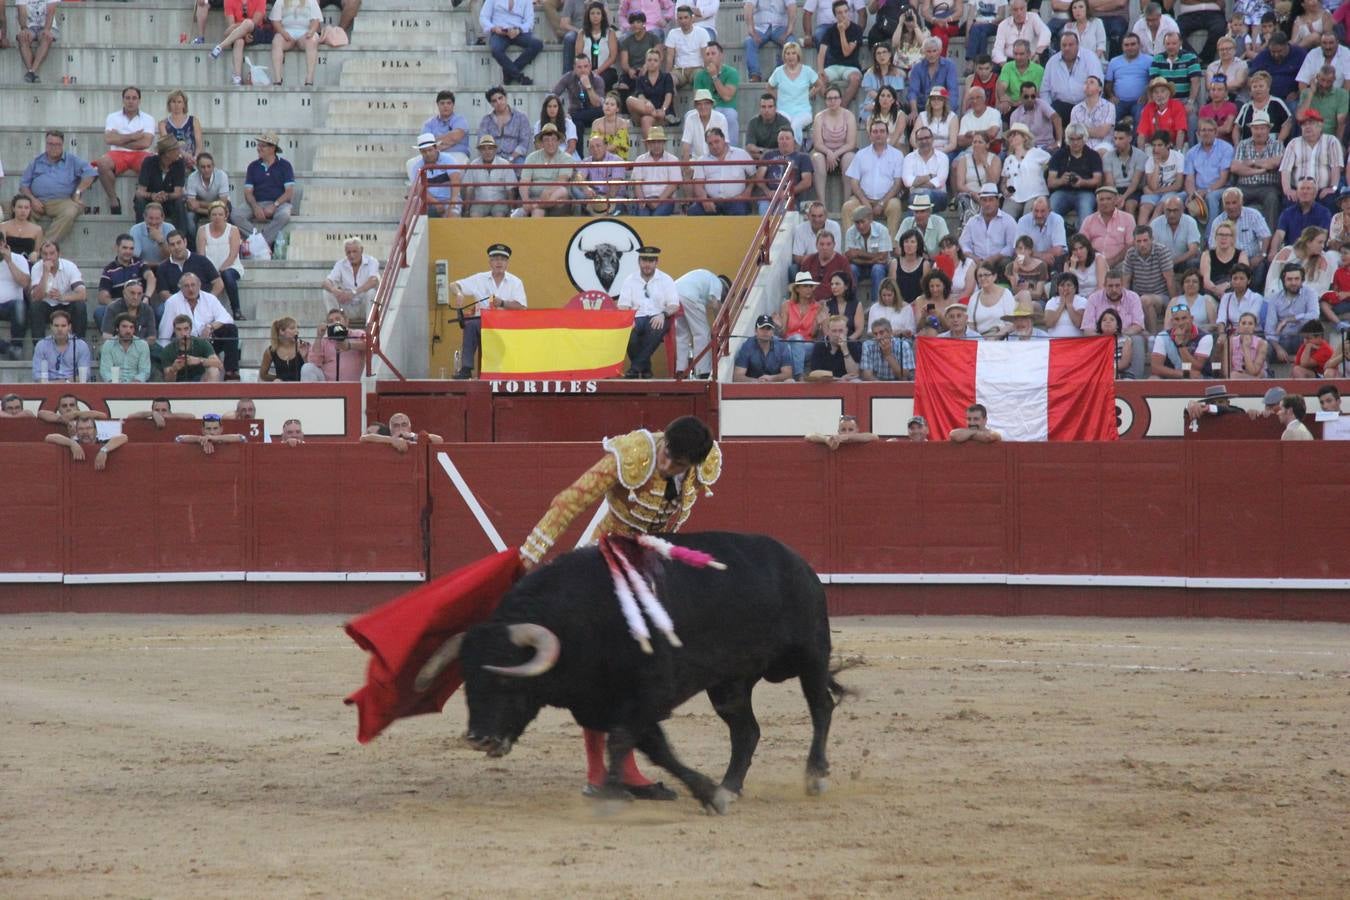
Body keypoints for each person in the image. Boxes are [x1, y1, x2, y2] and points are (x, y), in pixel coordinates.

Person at [514, 415, 718, 799]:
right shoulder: (632, 454)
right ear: (664, 443)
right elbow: (570, 501)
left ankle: (625, 766)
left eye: (677, 465)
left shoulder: (703, 463)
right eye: (668, 456)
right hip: (602, 564)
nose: (667, 466)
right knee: (598, 670)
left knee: (648, 668)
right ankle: (598, 773)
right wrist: (529, 555)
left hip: (649, 567)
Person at [20, 131, 96, 246]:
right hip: (37, 201)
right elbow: (23, 185)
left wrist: (77, 192)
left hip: (62, 201)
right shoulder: (37, 161)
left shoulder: (72, 160)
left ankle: (43, 246)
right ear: (46, 144)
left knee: (71, 211)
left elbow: (91, 173)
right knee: (12, 208)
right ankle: (32, 240)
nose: (53, 147)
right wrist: (31, 199)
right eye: (50, 144)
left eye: (57, 144)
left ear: (62, 144)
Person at [157, 273, 240, 378]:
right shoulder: (172, 302)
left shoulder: (210, 298)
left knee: (230, 329)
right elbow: (164, 335)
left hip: (207, 343)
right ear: (180, 287)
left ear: (199, 285)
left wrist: (210, 326)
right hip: (184, 346)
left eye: (193, 285)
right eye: (186, 286)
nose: (191, 289)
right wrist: (169, 356)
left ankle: (231, 373)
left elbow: (227, 318)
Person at [615, 246, 678, 378]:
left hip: (659, 316)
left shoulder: (666, 279)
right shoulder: (630, 279)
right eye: (644, 260)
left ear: (656, 262)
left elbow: (674, 304)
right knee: (628, 335)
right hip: (636, 317)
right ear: (639, 261)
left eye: (651, 261)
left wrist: (663, 315)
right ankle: (645, 369)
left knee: (655, 329)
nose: (647, 264)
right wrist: (629, 319)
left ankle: (635, 368)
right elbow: (623, 304)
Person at [94, 86, 156, 218]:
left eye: (134, 98)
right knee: (102, 163)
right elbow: (108, 139)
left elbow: (145, 143)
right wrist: (133, 136)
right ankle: (114, 201)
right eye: (127, 98)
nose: (130, 101)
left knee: (151, 164)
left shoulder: (148, 118)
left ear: (139, 100)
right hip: (117, 154)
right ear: (123, 100)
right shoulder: (112, 116)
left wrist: (119, 138)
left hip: (141, 153)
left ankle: (141, 198)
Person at [841, 119, 904, 237]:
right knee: (847, 207)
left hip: (887, 200)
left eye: (881, 131)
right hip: (862, 199)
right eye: (875, 132)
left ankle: (891, 247)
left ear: (887, 134)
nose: (878, 134)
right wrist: (864, 202)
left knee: (895, 206)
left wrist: (881, 203)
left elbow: (897, 184)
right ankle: (851, 246)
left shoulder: (897, 155)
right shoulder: (861, 154)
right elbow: (854, 182)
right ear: (870, 135)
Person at [231, 131, 293, 248]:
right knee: (235, 214)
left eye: (262, 146)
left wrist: (274, 205)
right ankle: (259, 239)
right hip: (258, 202)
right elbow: (248, 192)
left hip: (279, 203)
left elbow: (289, 192)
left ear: (272, 148)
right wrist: (255, 207)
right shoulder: (253, 166)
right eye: (258, 145)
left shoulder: (285, 165)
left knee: (284, 215)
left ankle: (258, 242)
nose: (258, 148)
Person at [1279, 109, 1343, 208]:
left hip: (1323, 190)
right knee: (1289, 200)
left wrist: (1332, 188)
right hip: (1299, 190)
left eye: (1311, 123)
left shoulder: (1331, 141)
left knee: (1331, 199)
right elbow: (1285, 170)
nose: (1307, 127)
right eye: (1304, 124)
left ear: (1320, 125)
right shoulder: (1293, 143)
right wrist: (1287, 189)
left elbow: (1336, 168)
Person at [1231, 112, 1286, 226]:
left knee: (1272, 198)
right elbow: (1235, 168)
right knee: (1231, 197)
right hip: (1244, 186)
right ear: (1251, 129)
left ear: (1268, 129)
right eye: (1256, 128)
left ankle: (1269, 237)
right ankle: (1231, 232)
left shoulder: (1277, 144)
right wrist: (1261, 169)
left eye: (1262, 128)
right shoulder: (1243, 144)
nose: (1259, 132)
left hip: (1268, 186)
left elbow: (1275, 163)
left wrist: (1250, 163)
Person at [673, 269, 727, 378]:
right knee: (702, 333)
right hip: (690, 296)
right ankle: (703, 371)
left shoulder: (704, 277)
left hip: (673, 295)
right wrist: (721, 325)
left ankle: (680, 370)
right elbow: (715, 304)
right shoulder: (717, 282)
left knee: (682, 335)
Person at [29, 239, 87, 341]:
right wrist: (45, 273)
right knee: (35, 306)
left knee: (80, 305)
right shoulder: (36, 268)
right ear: (40, 255)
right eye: (45, 254)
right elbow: (35, 298)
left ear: (59, 254)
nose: (48, 257)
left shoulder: (70, 266)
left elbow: (82, 294)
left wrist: (62, 297)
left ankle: (79, 344)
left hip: (66, 306)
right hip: (47, 308)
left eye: (52, 253)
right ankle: (39, 346)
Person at [688, 128, 755, 216]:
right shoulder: (702, 160)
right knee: (693, 212)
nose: (714, 146)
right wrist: (705, 200)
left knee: (739, 211)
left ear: (724, 140)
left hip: (736, 201)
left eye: (717, 141)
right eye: (710, 144)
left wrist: (747, 192)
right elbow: (698, 185)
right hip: (711, 200)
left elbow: (754, 175)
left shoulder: (741, 154)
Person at [1043, 32, 1104, 126]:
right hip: (1061, 106)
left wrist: (1090, 106)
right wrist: (1049, 112)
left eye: (1070, 45)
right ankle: (1059, 140)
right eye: (1064, 45)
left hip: (1086, 106)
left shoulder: (1090, 57)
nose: (1067, 48)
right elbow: (1045, 91)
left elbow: (1097, 86)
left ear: (1078, 45)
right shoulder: (1052, 62)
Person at [156, 230, 224, 313]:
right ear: (169, 247)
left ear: (185, 242)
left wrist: (207, 300)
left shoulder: (201, 260)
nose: (176, 247)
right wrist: (183, 304)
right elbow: (164, 293)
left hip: (202, 303)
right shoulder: (163, 267)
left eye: (179, 243)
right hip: (177, 305)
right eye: (172, 245)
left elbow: (218, 283)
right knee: (160, 310)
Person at [1264, 262, 1319, 363]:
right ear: (1283, 281)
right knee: (1264, 347)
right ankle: (1267, 374)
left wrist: (1288, 320)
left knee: (1315, 339)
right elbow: (1270, 330)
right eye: (1289, 279)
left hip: (1302, 338)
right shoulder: (1274, 299)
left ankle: (1296, 359)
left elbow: (1314, 315)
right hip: (1282, 339)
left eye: (1297, 279)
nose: (1293, 282)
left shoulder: (1310, 293)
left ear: (1302, 280)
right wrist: (1277, 348)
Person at [197, 201, 244, 319]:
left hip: (230, 266)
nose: (217, 217)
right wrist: (212, 271)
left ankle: (236, 310)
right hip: (209, 268)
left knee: (227, 275)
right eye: (214, 214)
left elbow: (233, 254)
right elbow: (201, 256)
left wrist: (221, 269)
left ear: (225, 215)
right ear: (210, 216)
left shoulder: (233, 230)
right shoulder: (202, 230)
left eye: (220, 214)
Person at [809, 86, 857, 200]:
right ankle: (821, 202)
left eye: (835, 98)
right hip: (824, 152)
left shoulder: (849, 116)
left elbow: (851, 144)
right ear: (825, 101)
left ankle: (847, 201)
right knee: (817, 157)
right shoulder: (819, 117)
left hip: (844, 151)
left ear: (840, 100)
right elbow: (818, 144)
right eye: (829, 98)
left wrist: (835, 154)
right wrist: (829, 152)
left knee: (850, 157)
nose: (833, 101)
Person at [481, 0, 542, 86]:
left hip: (518, 32)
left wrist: (519, 30)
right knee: (496, 50)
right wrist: (494, 28)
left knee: (537, 44)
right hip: (499, 32)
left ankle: (508, 73)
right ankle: (519, 77)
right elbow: (483, 17)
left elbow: (530, 21)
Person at [776, 271, 825, 378]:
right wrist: (779, 325)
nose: (809, 289)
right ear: (797, 289)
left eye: (810, 286)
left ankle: (793, 375)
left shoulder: (817, 307)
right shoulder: (786, 305)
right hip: (788, 343)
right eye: (805, 286)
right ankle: (799, 374)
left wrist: (818, 322)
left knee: (800, 347)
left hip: (808, 345)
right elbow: (783, 334)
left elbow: (813, 335)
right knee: (796, 340)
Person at [767, 41, 818, 142]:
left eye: (793, 53)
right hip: (783, 110)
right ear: (784, 56)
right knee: (786, 123)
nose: (791, 56)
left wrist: (808, 95)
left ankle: (795, 149)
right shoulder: (778, 71)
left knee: (795, 124)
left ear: (798, 55)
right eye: (788, 53)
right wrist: (779, 98)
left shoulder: (807, 71)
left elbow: (819, 85)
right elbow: (769, 88)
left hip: (803, 111)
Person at [520, 124, 575, 217]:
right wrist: (525, 200)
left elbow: (562, 181)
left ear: (558, 142)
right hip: (535, 197)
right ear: (542, 143)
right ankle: (535, 209)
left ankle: (534, 206)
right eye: (546, 140)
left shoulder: (566, 158)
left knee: (562, 190)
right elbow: (524, 181)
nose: (550, 143)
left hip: (558, 202)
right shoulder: (532, 157)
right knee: (538, 212)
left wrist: (548, 191)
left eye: (553, 139)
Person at [816, 0, 863, 108]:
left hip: (851, 66)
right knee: (818, 80)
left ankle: (841, 108)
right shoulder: (830, 31)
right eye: (840, 13)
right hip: (833, 66)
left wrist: (842, 32)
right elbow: (821, 53)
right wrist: (820, 70)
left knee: (855, 79)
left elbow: (847, 52)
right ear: (835, 15)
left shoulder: (856, 29)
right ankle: (831, 105)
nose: (844, 15)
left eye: (846, 11)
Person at [960, 184, 1017, 271]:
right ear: (980, 202)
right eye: (984, 200)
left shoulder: (1008, 221)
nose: (987, 204)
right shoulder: (972, 222)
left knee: (1006, 262)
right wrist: (973, 257)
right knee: (966, 262)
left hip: (999, 262)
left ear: (997, 201)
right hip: (976, 262)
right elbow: (963, 243)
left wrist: (994, 258)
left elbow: (1011, 246)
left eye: (991, 200)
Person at [757, 127, 814, 214]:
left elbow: (807, 182)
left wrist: (786, 192)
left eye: (787, 138)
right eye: (781, 139)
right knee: (764, 208)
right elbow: (759, 178)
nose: (784, 141)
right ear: (777, 141)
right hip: (769, 197)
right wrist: (767, 192)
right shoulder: (768, 155)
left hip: (791, 198)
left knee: (782, 213)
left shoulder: (803, 157)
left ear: (793, 141)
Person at [692, 42, 741, 143]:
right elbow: (698, 100)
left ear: (721, 55)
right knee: (689, 116)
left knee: (731, 116)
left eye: (713, 53)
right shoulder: (699, 76)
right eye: (707, 54)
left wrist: (714, 76)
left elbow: (727, 96)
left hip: (725, 108)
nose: (710, 57)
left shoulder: (732, 73)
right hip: (706, 108)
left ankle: (731, 152)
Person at [1000, 123, 1052, 219]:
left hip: (1035, 194)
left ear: (1025, 138)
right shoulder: (1008, 159)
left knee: (1027, 219)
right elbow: (1003, 182)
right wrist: (1004, 190)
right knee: (1005, 220)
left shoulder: (1036, 152)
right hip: (1014, 197)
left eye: (1014, 134)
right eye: (1010, 135)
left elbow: (1053, 163)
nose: (1011, 137)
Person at [842, 206, 892, 305]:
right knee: (851, 268)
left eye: (862, 222)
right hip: (860, 266)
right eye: (857, 222)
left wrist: (859, 253)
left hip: (880, 266)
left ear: (870, 219)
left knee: (877, 269)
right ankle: (851, 303)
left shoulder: (882, 230)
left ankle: (876, 304)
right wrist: (872, 260)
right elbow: (850, 257)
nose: (860, 226)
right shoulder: (850, 232)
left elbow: (883, 256)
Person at [323, 238, 379, 325]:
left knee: (371, 292)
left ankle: (370, 327)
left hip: (364, 306)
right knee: (327, 292)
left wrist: (353, 293)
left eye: (354, 251)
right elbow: (326, 282)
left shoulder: (372, 261)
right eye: (348, 252)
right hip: (347, 307)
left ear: (361, 250)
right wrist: (335, 290)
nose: (351, 255)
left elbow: (373, 281)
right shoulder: (341, 264)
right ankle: (334, 326)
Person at [1150, 301, 1213, 378]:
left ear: (1191, 319)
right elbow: (1155, 368)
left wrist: (1180, 344)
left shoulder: (1204, 337)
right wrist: (1182, 374)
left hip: (1200, 377)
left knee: (1195, 377)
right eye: (1177, 319)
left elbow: (1196, 368)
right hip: (1172, 377)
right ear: (1172, 321)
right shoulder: (1162, 336)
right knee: (1153, 378)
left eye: (1184, 318)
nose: (1181, 323)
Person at [302, 308, 367, 382]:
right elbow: (314, 362)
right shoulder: (325, 339)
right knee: (307, 367)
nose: (335, 322)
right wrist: (319, 337)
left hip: (353, 385)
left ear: (346, 321)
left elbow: (370, 344)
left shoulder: (357, 334)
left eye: (338, 319)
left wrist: (349, 345)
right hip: (329, 386)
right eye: (331, 321)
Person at [31, 309, 91, 383]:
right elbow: (37, 375)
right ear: (51, 326)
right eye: (56, 326)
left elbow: (85, 375)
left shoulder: (81, 345)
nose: (59, 329)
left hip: (73, 386)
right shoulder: (41, 345)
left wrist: (65, 382)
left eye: (63, 326)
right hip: (48, 388)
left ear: (69, 327)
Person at [631, 126, 681, 216]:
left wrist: (658, 201)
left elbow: (673, 185)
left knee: (656, 216)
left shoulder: (673, 160)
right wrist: (642, 200)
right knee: (643, 216)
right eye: (653, 142)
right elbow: (637, 184)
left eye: (659, 142)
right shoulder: (640, 159)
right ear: (648, 144)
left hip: (665, 200)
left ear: (663, 143)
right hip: (645, 199)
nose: (656, 145)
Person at [743, 0, 797, 82]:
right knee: (749, 42)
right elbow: (748, 6)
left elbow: (792, 7)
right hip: (760, 27)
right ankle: (755, 75)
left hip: (780, 27)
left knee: (791, 42)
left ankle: (776, 75)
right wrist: (751, 30)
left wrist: (788, 31)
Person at [627, 48, 678, 135]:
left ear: (659, 63)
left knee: (646, 120)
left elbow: (668, 96)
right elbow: (640, 96)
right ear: (645, 62)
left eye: (655, 60)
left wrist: (663, 110)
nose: (652, 62)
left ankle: (649, 149)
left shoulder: (666, 77)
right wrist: (648, 103)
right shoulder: (640, 79)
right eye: (649, 60)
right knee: (629, 100)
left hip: (662, 114)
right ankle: (654, 113)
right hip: (646, 110)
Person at [45, 417, 127, 471]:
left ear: (95, 431)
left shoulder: (103, 444)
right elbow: (49, 437)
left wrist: (104, 450)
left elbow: (124, 437)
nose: (85, 432)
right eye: (81, 429)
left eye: (89, 428)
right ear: (76, 432)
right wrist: (72, 443)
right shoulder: (74, 443)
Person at [1273, 177, 1332, 251]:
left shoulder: (1324, 213)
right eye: (1302, 188)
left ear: (1315, 193)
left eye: (1308, 188)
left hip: (1314, 253)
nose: (1305, 191)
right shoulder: (1287, 213)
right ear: (1297, 192)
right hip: (1291, 252)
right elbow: (1279, 234)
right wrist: (1273, 251)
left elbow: (1322, 235)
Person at [907, 36, 960, 116]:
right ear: (924, 52)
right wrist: (914, 111)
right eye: (928, 51)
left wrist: (948, 112)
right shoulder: (917, 68)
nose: (931, 55)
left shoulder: (949, 66)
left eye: (934, 51)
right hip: (923, 109)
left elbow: (953, 91)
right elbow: (913, 92)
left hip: (943, 108)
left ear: (940, 51)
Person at [732, 314, 794, 381]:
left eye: (768, 328)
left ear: (773, 332)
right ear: (755, 331)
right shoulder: (747, 346)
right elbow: (737, 376)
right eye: (762, 328)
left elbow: (788, 374)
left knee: (790, 381)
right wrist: (757, 381)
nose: (765, 331)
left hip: (776, 385)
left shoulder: (782, 346)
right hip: (753, 387)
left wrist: (772, 378)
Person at [900, 126, 949, 211]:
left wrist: (916, 183)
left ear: (932, 139)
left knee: (925, 196)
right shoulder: (909, 158)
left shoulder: (942, 157)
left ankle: (916, 223)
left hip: (938, 196)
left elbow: (939, 182)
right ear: (916, 141)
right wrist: (930, 176)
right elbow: (908, 182)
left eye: (927, 138)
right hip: (915, 196)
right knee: (918, 200)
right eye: (920, 139)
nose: (924, 141)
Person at [1150, 195, 1202, 274]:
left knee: (1194, 262)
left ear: (1182, 210)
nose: (1171, 214)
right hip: (1161, 264)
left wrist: (1172, 262)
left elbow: (1193, 251)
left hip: (1183, 262)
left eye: (1175, 210)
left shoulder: (1190, 222)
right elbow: (1151, 250)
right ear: (1164, 210)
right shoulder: (1155, 224)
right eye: (1168, 210)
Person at [1250, 31, 1306, 104]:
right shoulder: (1263, 55)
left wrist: (1297, 93)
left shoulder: (1300, 54)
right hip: (1267, 98)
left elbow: (1307, 78)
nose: (1276, 55)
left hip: (1291, 98)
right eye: (1273, 52)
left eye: (1279, 51)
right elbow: (1251, 77)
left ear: (1286, 45)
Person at [184, 152, 231, 235]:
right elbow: (191, 205)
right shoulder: (192, 177)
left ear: (213, 166)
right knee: (189, 219)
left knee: (227, 214)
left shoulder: (222, 176)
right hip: (201, 210)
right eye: (203, 167)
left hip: (219, 208)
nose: (206, 170)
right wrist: (210, 211)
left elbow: (222, 204)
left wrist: (200, 204)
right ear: (197, 167)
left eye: (209, 166)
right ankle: (194, 245)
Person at [991, 0, 1049, 67]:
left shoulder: (1033, 17)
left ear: (1026, 8)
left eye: (1022, 9)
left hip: (1032, 59)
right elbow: (997, 50)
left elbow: (1046, 33)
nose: (1019, 13)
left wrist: (1038, 53)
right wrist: (1005, 64)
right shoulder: (1003, 25)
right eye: (1015, 10)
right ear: (1010, 11)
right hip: (1010, 61)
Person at [664, 5, 711, 87]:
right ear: (677, 20)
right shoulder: (672, 33)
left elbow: (706, 57)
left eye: (686, 17)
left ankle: (698, 100)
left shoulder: (702, 32)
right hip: (679, 70)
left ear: (692, 18)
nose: (683, 21)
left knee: (700, 78)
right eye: (680, 18)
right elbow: (669, 57)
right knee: (669, 81)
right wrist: (667, 76)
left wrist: (708, 75)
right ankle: (668, 100)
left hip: (697, 69)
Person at [996, 39, 1045, 117]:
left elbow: (1035, 94)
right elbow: (1002, 86)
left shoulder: (1039, 70)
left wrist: (1016, 103)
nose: (1018, 57)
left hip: (1030, 105)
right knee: (1003, 109)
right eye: (1015, 54)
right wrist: (1003, 98)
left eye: (1021, 54)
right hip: (1010, 106)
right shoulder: (1007, 67)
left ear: (1029, 54)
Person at [99, 313, 151, 383]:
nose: (128, 331)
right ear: (117, 328)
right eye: (124, 326)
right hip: (114, 387)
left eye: (131, 327)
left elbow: (145, 371)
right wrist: (114, 382)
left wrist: (136, 381)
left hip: (136, 387)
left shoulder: (142, 345)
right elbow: (105, 371)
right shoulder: (108, 344)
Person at [806, 313, 861, 380]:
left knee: (855, 380)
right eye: (834, 331)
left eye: (840, 330)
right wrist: (839, 379)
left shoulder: (852, 344)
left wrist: (845, 350)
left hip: (847, 384)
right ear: (828, 331)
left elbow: (854, 373)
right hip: (826, 384)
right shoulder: (820, 345)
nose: (837, 334)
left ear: (846, 330)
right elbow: (815, 373)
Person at [16, 0, 58, 83]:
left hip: (47, 25)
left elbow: (51, 12)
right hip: (29, 27)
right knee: (22, 38)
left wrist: (46, 29)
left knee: (46, 37)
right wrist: (24, 28)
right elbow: (22, 12)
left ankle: (31, 71)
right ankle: (32, 72)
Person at [259, 316, 308, 382]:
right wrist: (276, 379)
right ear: (281, 331)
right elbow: (263, 375)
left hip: (302, 387)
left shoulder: (304, 346)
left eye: (297, 328)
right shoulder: (271, 351)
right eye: (292, 328)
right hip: (281, 388)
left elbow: (312, 371)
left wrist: (305, 358)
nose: (297, 331)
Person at [1045, 271, 1088, 336]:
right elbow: (1049, 323)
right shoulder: (1052, 302)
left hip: (1076, 342)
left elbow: (1079, 324)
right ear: (1057, 288)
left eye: (1069, 285)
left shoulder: (1082, 301)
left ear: (1075, 288)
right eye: (1062, 285)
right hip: (1054, 342)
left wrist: (1069, 304)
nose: (1065, 288)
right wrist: (1061, 304)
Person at [805, 414, 879, 447]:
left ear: (857, 431)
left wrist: (847, 437)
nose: (846, 432)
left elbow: (874, 437)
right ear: (838, 431)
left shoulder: (862, 437)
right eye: (843, 429)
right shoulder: (834, 440)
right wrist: (826, 439)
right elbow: (808, 436)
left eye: (850, 429)